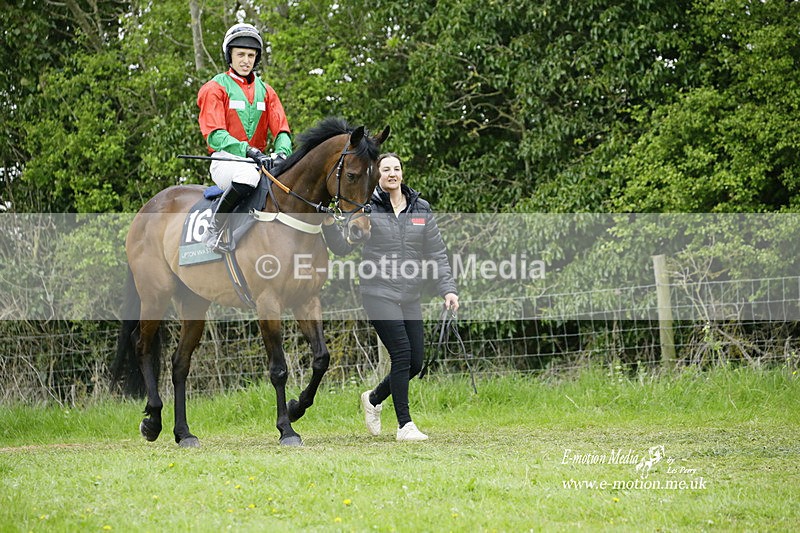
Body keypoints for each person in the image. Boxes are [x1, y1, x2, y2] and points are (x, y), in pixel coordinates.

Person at [323, 153, 459, 441]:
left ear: (402, 173)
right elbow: (344, 248)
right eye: (386, 169)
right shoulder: (367, 208)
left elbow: (436, 253)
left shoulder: (420, 208)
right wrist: (328, 225)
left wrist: (447, 289)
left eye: (396, 168)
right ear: (377, 175)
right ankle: (405, 425)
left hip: (410, 294)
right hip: (378, 292)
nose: (392, 173)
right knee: (401, 355)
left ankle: (373, 399)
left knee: (415, 363)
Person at [197, 22, 292, 252]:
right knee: (248, 175)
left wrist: (282, 152)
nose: (246, 60)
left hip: (261, 162)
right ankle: (214, 229)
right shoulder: (214, 88)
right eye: (240, 54)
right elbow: (215, 135)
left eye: (251, 55)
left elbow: (282, 131)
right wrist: (247, 151)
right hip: (226, 160)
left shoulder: (267, 91)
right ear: (229, 55)